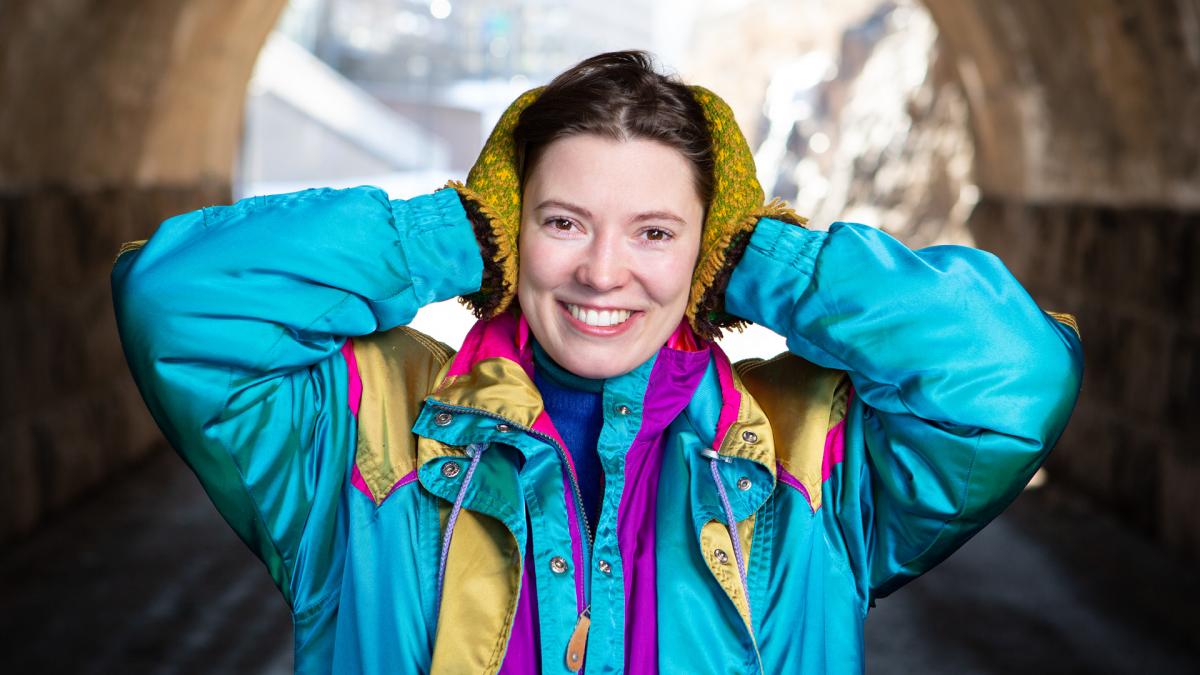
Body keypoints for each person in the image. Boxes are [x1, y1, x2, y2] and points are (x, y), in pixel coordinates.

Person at [112, 51, 1083, 674]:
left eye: (656, 232)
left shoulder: (809, 456)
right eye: (563, 222)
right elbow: (178, 304)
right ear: (513, 227)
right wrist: (445, 235)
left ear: (709, 246)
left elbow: (1009, 376)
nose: (604, 272)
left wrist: (767, 261)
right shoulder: (365, 434)